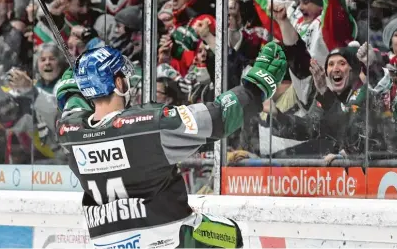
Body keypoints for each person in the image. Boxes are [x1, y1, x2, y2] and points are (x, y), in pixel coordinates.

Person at [54, 42, 286, 248]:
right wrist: (256, 86)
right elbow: (219, 116)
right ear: (118, 82)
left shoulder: (70, 132)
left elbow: (71, 103)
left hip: (107, 241)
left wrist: (74, 86)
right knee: (231, 234)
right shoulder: (148, 126)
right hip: (165, 237)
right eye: (124, 76)